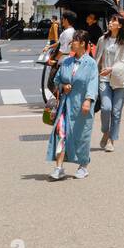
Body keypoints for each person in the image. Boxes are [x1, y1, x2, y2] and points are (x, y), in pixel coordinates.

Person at [47, 29, 99, 180]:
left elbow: (93, 83)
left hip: (82, 105)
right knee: (61, 134)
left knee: (82, 136)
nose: (71, 44)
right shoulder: (66, 62)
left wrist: (88, 100)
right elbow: (56, 81)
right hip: (65, 105)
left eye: (74, 41)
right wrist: (63, 86)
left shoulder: (91, 64)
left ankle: (83, 165)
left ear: (82, 44)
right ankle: (58, 167)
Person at [95, 12, 124, 151]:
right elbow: (97, 59)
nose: (110, 23)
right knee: (106, 108)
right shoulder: (102, 39)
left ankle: (112, 140)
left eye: (113, 21)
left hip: (121, 79)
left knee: (116, 112)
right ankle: (105, 132)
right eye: (110, 20)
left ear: (120, 25)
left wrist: (112, 69)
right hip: (104, 79)